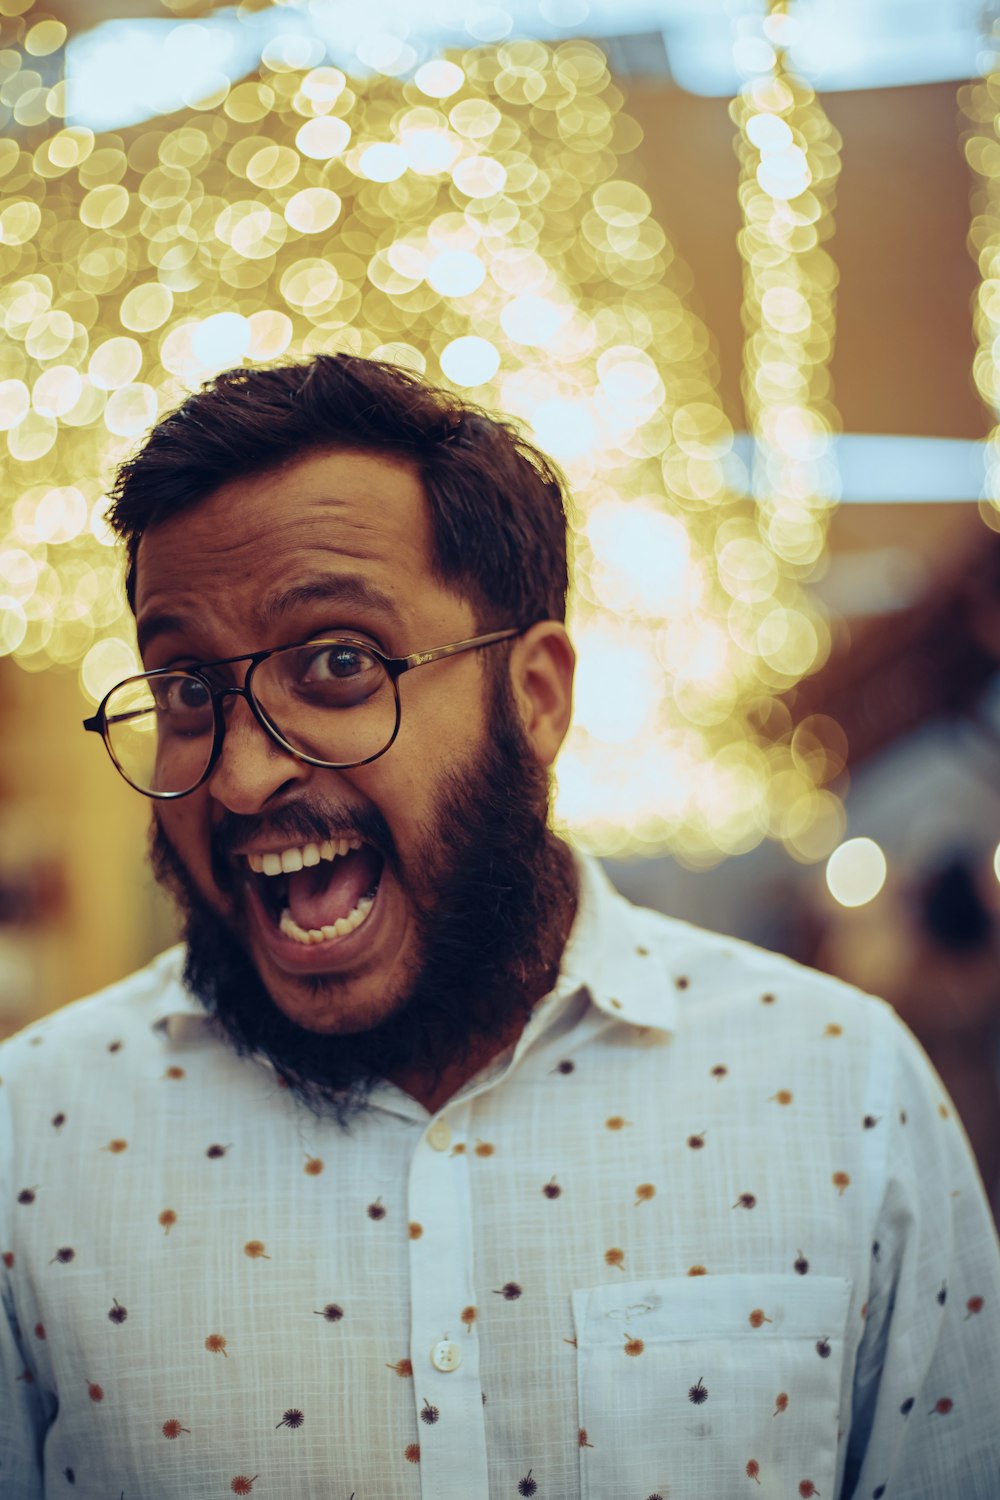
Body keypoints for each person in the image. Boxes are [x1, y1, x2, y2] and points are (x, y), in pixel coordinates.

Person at [1, 354, 997, 1500]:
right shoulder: (32, 1137)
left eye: (336, 663)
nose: (236, 775)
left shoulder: (843, 1088)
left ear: (534, 699)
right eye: (183, 689)